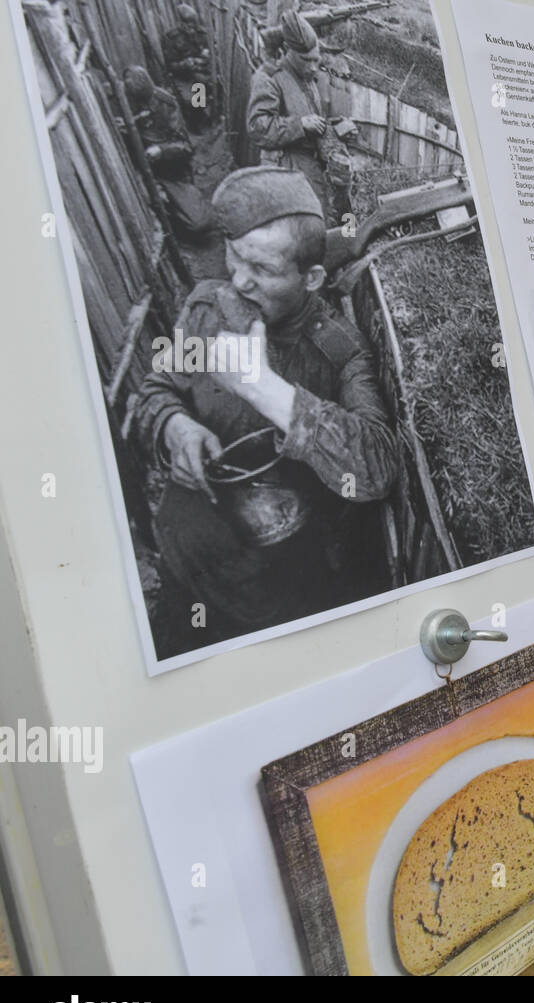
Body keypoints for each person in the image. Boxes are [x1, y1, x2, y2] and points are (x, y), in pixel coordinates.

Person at [132, 167, 398, 656]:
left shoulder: (339, 353)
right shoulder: (206, 310)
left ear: (311, 277)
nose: (239, 281)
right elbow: (156, 387)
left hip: (277, 592)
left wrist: (262, 387)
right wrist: (174, 424)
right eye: (234, 258)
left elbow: (376, 467)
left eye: (264, 271)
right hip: (190, 557)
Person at [246, 11, 354, 225]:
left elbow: (313, 117)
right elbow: (258, 128)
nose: (313, 67)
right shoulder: (269, 77)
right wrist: (300, 125)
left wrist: (337, 127)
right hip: (285, 167)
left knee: (333, 214)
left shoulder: (308, 77)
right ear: (287, 50)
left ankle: (341, 246)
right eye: (307, 60)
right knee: (301, 226)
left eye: (316, 60)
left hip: (312, 164)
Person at [122, 66, 215, 240]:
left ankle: (198, 122)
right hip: (133, 173)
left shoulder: (165, 103)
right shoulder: (118, 99)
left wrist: (161, 151)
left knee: (200, 222)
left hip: (168, 171)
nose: (141, 106)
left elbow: (185, 147)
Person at [162, 3, 217, 131]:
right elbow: (170, 65)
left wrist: (207, 55)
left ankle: (203, 115)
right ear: (180, 23)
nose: (191, 27)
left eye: (193, 23)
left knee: (209, 89)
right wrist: (185, 63)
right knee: (194, 99)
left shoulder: (201, 33)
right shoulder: (172, 38)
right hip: (183, 76)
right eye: (188, 24)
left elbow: (212, 50)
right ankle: (194, 125)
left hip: (202, 71)